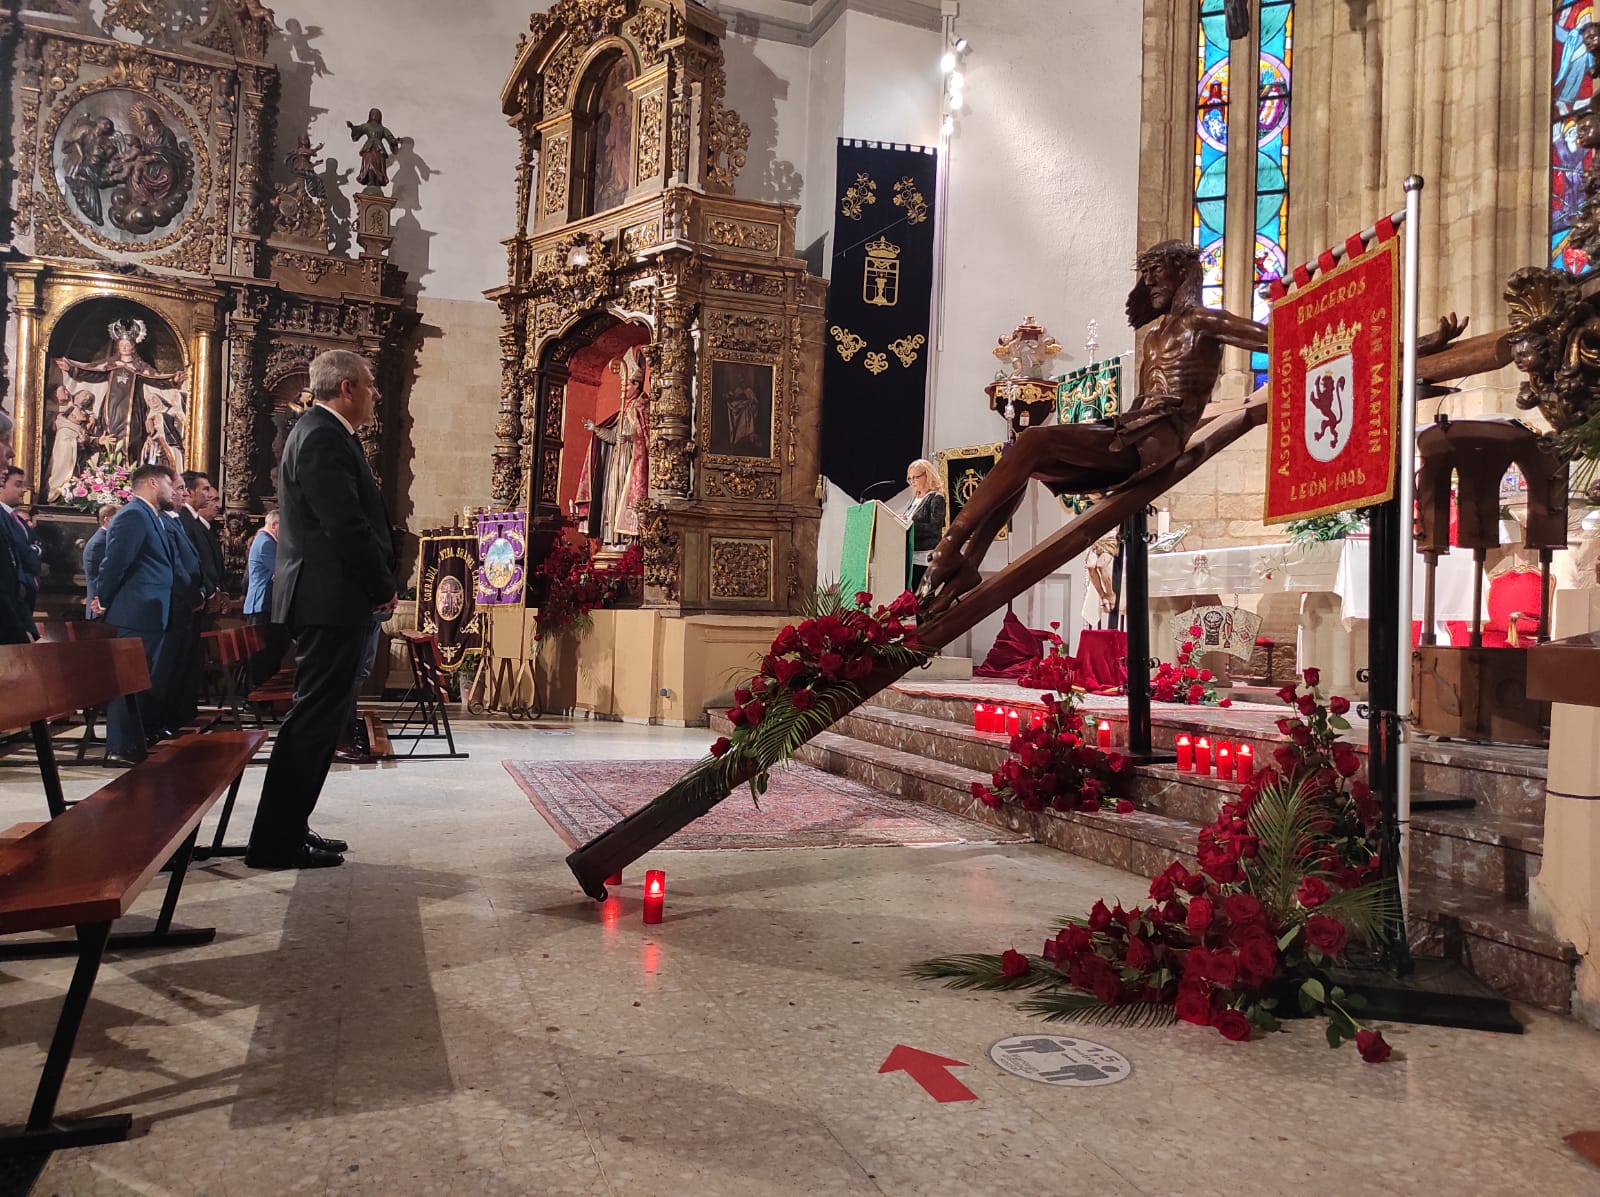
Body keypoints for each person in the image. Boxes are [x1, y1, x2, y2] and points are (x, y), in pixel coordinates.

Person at [918, 239, 1464, 615]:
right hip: (1132, 429)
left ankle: (949, 548)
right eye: (1145, 275)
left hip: (1156, 440)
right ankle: (964, 567)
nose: (1149, 283)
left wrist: (1411, 350)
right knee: (1027, 457)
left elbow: (1292, 344)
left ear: (1183, 273)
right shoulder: (1154, 337)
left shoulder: (1205, 320)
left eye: (1157, 273)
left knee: (1034, 440)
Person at [246, 349, 397, 870]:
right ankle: (274, 841)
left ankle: (289, 829)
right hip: (329, 598)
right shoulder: (320, 435)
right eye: (372, 385)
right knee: (313, 720)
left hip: (331, 597)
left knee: (319, 719)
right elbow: (345, 524)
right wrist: (381, 584)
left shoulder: (323, 433)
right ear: (349, 386)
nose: (378, 394)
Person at [96, 464, 189, 765]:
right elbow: (116, 562)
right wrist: (103, 598)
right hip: (135, 612)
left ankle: (133, 741)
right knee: (128, 681)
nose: (173, 490)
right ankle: (119, 747)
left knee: (141, 681)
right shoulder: (133, 515)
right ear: (151, 482)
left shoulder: (153, 516)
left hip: (151, 613)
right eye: (167, 483)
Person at [244, 510, 291, 687]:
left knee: (271, 652)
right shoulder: (265, 542)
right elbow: (281, 573)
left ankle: (263, 696)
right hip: (261, 605)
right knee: (261, 656)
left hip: (268, 605)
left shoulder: (269, 541)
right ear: (274, 525)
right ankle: (255, 696)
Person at [0, 468, 42, 616]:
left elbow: (35, 542)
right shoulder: (4, 517)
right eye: (17, 485)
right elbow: (20, 548)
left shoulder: (15, 517)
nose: (24, 490)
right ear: (1, 485)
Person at [903, 458, 946, 591]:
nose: (913, 481)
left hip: (924, 556)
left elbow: (934, 528)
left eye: (916, 477)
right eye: (910, 478)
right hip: (909, 553)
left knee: (922, 594)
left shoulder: (936, 498)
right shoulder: (914, 499)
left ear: (927, 475)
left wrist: (909, 524)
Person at [82, 502, 118, 617]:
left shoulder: (108, 539)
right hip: (99, 607)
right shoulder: (99, 543)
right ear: (107, 520)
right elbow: (100, 577)